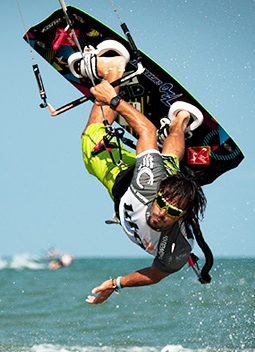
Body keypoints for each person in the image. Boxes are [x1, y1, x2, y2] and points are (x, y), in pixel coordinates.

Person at [78, 53, 207, 304]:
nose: (161, 213)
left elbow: (155, 275)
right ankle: (114, 70)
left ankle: (182, 118)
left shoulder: (176, 249)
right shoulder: (151, 182)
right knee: (91, 137)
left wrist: (116, 283)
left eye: (172, 211)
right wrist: (112, 99)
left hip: (159, 180)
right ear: (159, 195)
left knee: (170, 161)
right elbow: (145, 130)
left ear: (182, 216)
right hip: (127, 178)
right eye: (163, 204)